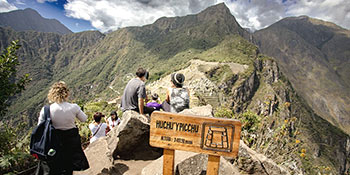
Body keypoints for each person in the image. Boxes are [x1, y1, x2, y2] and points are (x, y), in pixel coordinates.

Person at [36, 81, 89, 175]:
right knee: (69, 166)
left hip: (54, 142)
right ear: (66, 93)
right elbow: (84, 119)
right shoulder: (74, 107)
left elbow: (40, 126)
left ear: (52, 94)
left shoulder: (46, 110)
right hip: (71, 141)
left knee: (56, 166)